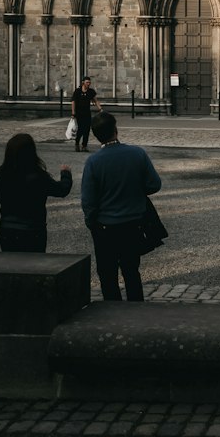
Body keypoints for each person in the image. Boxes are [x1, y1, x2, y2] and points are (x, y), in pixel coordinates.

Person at [80, 113, 161, 303]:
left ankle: (112, 314)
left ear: (95, 135)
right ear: (116, 130)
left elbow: (88, 200)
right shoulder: (137, 153)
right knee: (131, 270)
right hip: (133, 224)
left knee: (107, 275)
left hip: (105, 227)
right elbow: (154, 184)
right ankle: (135, 311)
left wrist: (91, 222)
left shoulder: (93, 162)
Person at [0, 132, 72, 253]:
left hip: (7, 227)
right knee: (34, 267)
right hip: (33, 228)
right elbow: (61, 190)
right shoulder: (38, 175)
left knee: (10, 266)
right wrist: (65, 174)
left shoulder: (3, 172)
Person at [71, 76, 100, 153]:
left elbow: (96, 100)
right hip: (79, 113)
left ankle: (84, 145)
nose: (88, 84)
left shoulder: (91, 91)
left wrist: (100, 109)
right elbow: (73, 102)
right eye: (87, 82)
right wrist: (73, 112)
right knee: (81, 129)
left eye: (89, 82)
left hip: (87, 113)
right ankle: (77, 143)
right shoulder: (77, 91)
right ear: (83, 82)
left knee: (87, 129)